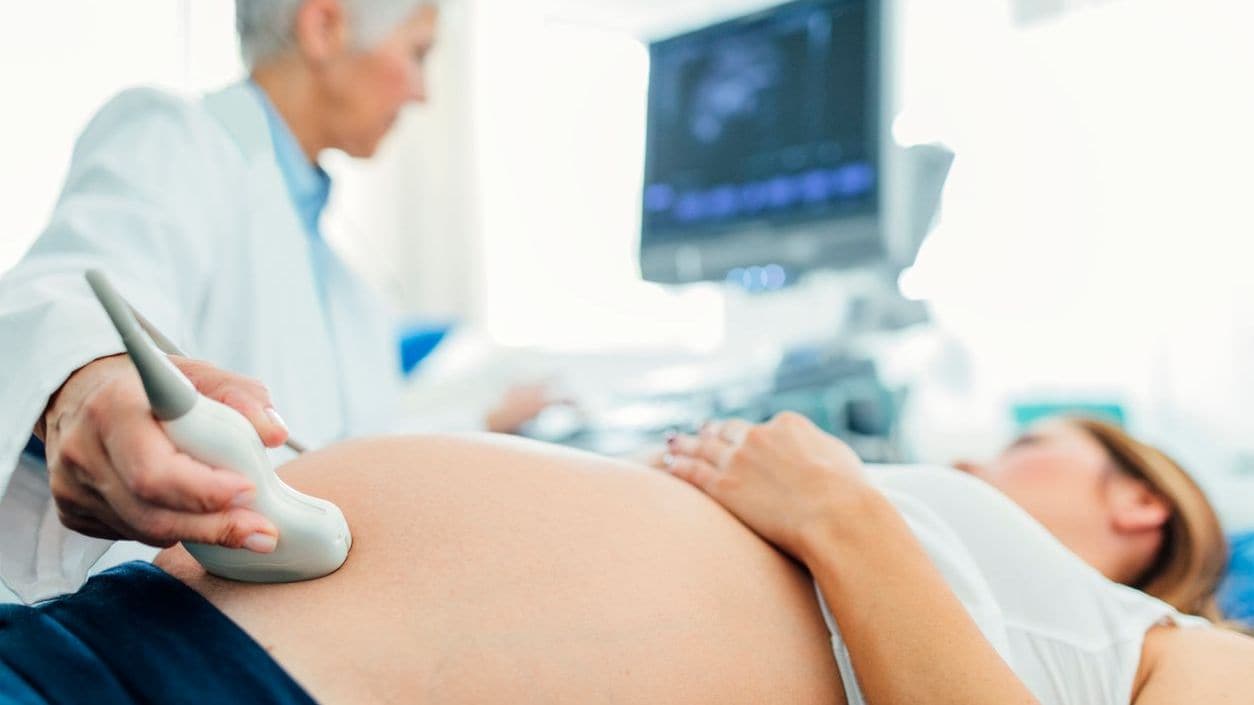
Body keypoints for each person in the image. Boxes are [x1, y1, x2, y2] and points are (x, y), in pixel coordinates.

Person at [1, 415, 1251, 704]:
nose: (987, 456)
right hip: (128, 636)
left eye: (1028, 442)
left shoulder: (1187, 653)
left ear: (1138, 502)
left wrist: (841, 512)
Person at [0, 0, 550, 605]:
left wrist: (482, 423)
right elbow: (72, 283)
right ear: (323, 26)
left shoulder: (346, 285)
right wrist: (85, 383)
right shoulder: (176, 138)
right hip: (159, 632)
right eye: (417, 52)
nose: (423, 93)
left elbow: (346, 445)